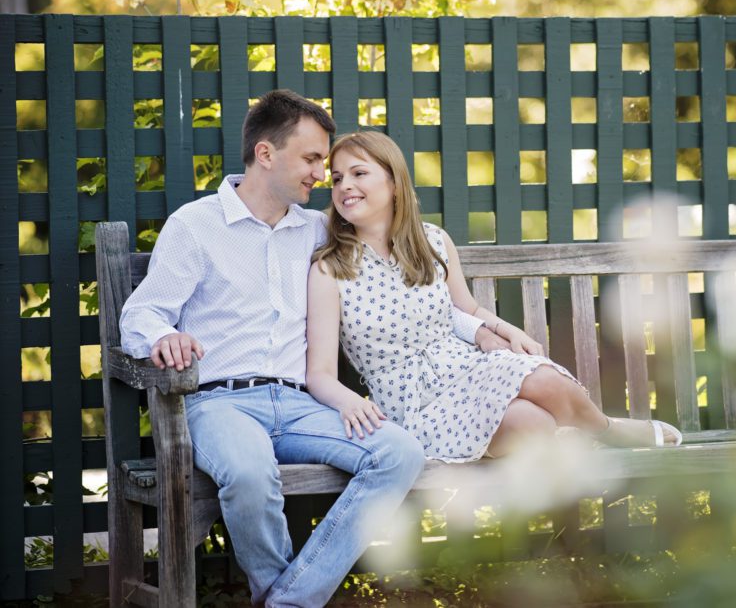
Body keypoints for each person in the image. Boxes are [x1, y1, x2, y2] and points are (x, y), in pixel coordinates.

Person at [118, 90, 492, 608]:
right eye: (313, 159)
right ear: (266, 154)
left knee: (398, 453)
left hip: (301, 404)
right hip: (219, 402)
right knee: (249, 474)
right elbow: (141, 314)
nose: (322, 174)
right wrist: (164, 336)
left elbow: (406, 287)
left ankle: (288, 599)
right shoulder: (196, 226)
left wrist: (480, 327)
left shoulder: (319, 230)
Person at [306, 130, 683, 464]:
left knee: (545, 378)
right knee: (532, 424)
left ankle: (607, 430)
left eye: (358, 173)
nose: (344, 186)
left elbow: (466, 308)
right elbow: (320, 374)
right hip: (415, 405)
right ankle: (574, 440)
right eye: (337, 178)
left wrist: (503, 329)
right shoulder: (330, 270)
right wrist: (350, 402)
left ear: (393, 183)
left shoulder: (432, 241)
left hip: (465, 367)